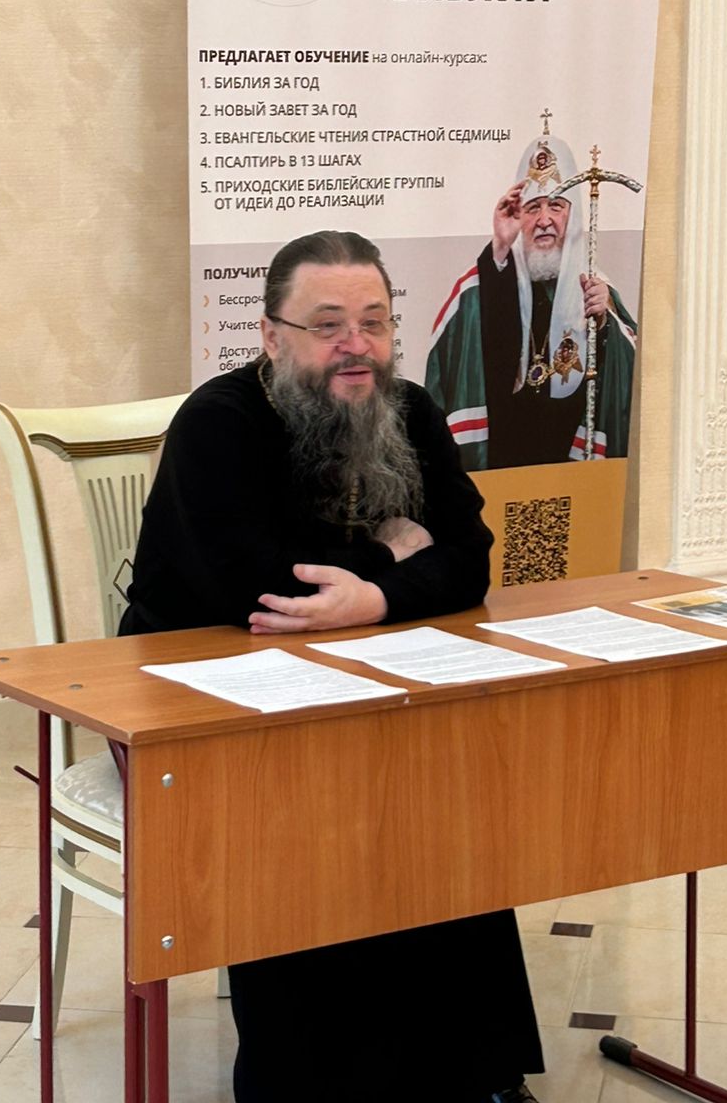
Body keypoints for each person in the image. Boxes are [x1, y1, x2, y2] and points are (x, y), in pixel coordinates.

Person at [120, 229, 543, 1103]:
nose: (357, 346)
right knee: (305, 812)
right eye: (328, 325)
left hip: (361, 687)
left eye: (374, 322)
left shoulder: (410, 410)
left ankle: (477, 1078)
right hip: (197, 705)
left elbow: (470, 558)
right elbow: (256, 590)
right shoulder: (219, 422)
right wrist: (392, 554)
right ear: (272, 337)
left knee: (455, 796)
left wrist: (373, 597)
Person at [426, 127, 637, 472]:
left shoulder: (595, 289)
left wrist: (605, 323)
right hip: (503, 466)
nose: (544, 220)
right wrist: (500, 246)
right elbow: (467, 352)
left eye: (556, 206)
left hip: (568, 464)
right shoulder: (487, 280)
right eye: (533, 207)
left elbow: (629, 374)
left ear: (573, 216)